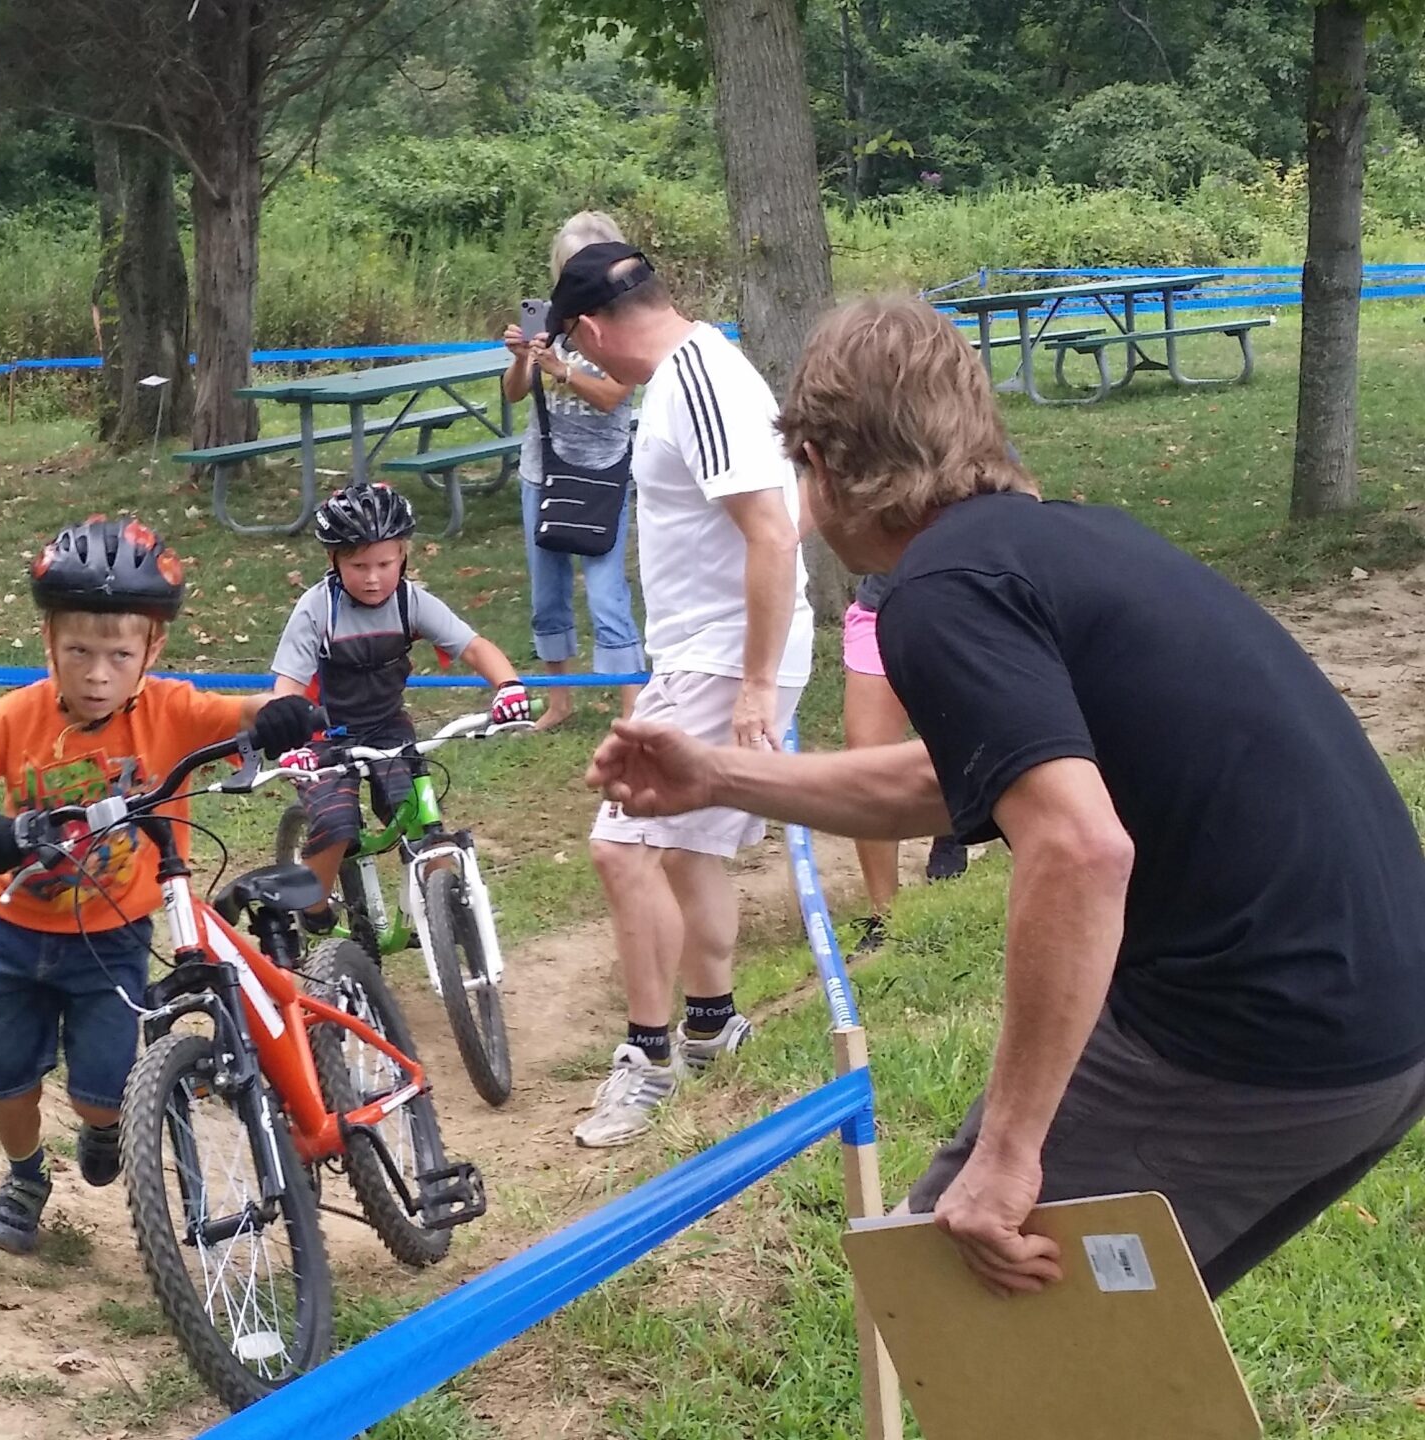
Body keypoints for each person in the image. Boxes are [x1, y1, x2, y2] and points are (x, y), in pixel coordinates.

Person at [587, 294, 1425, 1297]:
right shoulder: (1065, 544)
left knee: (958, 1307)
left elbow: (1077, 849)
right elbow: (953, 780)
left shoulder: (939, 591)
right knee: (1111, 1358)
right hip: (1383, 1019)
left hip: (1256, 1030)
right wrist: (718, 773)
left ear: (821, 461)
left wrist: (1010, 1151)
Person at [0, 517, 324, 1255]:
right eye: (78, 651)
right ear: (49, 642)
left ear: (153, 648)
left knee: (100, 1090)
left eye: (119, 653)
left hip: (111, 940)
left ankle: (103, 1129)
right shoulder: (11, 717)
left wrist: (287, 713)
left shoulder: (172, 710)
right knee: (8, 1082)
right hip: (12, 936)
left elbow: (244, 713)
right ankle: (23, 1177)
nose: (97, 673)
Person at [542, 243, 815, 1149]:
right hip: (697, 653)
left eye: (578, 352)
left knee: (622, 847)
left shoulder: (699, 382)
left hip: (718, 656)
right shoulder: (710, 369)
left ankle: (647, 1058)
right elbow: (797, 500)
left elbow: (774, 535)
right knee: (689, 850)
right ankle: (710, 1025)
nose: (587, 368)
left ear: (587, 330)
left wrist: (753, 685)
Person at [268, 483, 533, 932]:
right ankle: (313, 910)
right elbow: (287, 689)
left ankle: (447, 915)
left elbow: (474, 647)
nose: (373, 577)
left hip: (388, 728)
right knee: (336, 826)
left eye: (385, 564)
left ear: (404, 556)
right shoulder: (317, 610)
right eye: (359, 565)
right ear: (333, 561)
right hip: (325, 737)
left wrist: (508, 686)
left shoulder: (411, 601)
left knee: (421, 818)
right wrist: (292, 741)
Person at [501, 211, 645, 725]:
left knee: (608, 594)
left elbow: (614, 395)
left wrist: (562, 371)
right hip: (542, 473)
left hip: (601, 472)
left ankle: (631, 703)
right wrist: (523, 357)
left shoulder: (625, 328)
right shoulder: (552, 323)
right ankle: (560, 700)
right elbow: (514, 392)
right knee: (547, 594)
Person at [842, 572, 969, 953]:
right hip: (881, 604)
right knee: (867, 767)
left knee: (966, 735)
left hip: (967, 601)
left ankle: (953, 825)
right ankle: (885, 918)